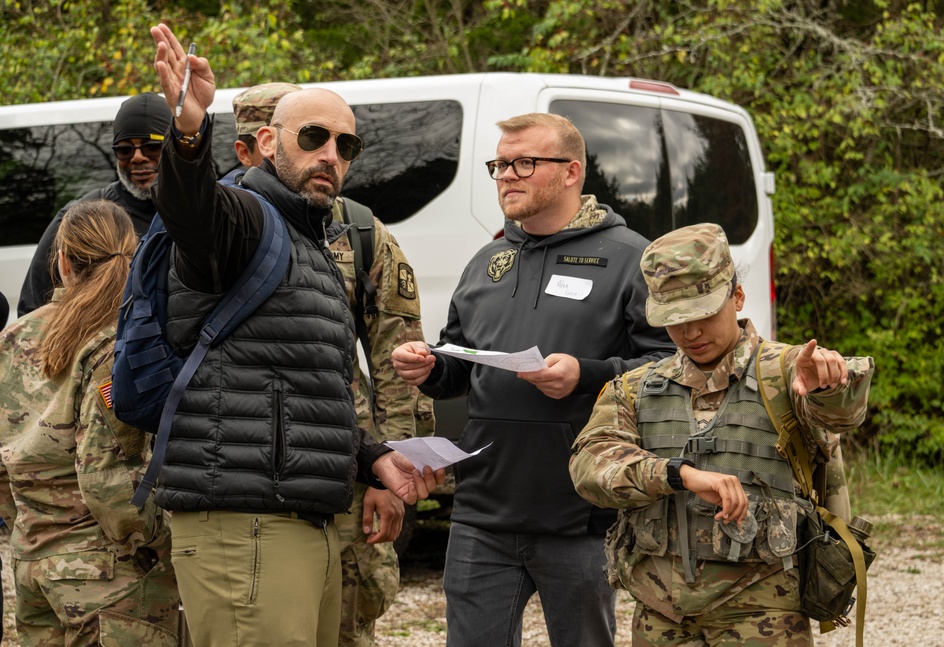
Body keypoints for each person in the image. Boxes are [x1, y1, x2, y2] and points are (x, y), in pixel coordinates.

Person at [149, 23, 443, 647]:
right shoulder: (244, 220)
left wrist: (375, 458)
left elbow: (307, 391)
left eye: (346, 144)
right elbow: (192, 212)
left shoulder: (319, 241)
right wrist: (188, 132)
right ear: (261, 144)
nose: (331, 155)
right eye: (313, 138)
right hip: (246, 521)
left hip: (302, 512)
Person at [391, 113, 675, 647]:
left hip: (580, 514)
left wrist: (587, 376)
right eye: (499, 164)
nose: (506, 175)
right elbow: (460, 362)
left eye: (524, 162)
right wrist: (429, 366)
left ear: (571, 172)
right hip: (482, 513)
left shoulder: (630, 257)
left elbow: (667, 369)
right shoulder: (487, 261)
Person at [568, 223, 875, 647]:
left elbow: (842, 411)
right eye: (675, 321)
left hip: (762, 609)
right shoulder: (636, 388)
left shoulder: (785, 373)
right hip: (661, 614)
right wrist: (676, 475)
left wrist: (828, 382)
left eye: (703, 315)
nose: (690, 333)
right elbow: (589, 465)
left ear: (737, 297)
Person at [230, 82, 436, 647]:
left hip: (346, 462)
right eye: (245, 146)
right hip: (242, 475)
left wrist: (390, 470)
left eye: (338, 143)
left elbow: (401, 359)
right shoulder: (218, 228)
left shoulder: (361, 234)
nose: (327, 155)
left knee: (346, 621)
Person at [0, 200, 180, 646]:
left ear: (61, 262)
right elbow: (110, 484)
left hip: (34, 567)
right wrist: (166, 543)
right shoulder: (119, 343)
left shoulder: (14, 337)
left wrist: (29, 526)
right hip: (110, 577)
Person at [17, 92, 171, 316]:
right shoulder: (82, 217)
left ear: (173, 146)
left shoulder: (200, 208)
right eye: (125, 149)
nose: (137, 157)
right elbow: (32, 311)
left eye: (152, 147)